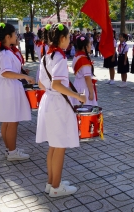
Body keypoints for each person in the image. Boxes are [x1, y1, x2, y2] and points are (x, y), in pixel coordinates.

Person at [36, 23, 86, 197]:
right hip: (57, 106)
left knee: (53, 146)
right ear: (63, 38)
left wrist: (52, 90)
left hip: (48, 102)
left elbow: (41, 84)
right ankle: (56, 188)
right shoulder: (60, 58)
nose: (70, 40)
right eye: (68, 36)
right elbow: (57, 84)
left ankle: (51, 183)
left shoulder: (45, 56)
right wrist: (78, 96)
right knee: (60, 147)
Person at [0, 22, 35, 161]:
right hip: (9, 88)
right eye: (14, 34)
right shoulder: (4, 53)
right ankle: (12, 152)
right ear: (8, 36)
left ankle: (9, 149)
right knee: (12, 121)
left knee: (7, 121)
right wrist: (24, 76)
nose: (16, 35)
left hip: (6, 87)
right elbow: (6, 73)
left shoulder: (3, 51)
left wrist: (21, 72)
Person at [72, 35, 97, 106]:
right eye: (89, 44)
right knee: (86, 110)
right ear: (85, 46)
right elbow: (87, 77)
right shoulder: (83, 59)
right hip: (84, 88)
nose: (91, 46)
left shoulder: (76, 56)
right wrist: (91, 92)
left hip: (77, 85)